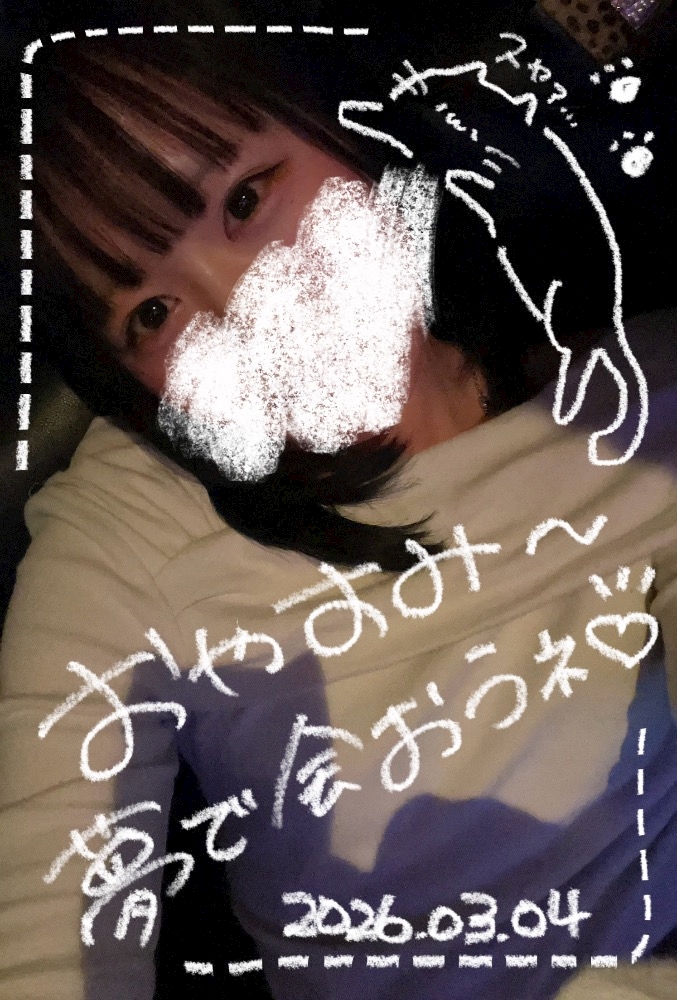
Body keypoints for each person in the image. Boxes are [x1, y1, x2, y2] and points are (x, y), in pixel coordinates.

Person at [2, 11, 677, 1000]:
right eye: (151, 313)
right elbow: (43, 928)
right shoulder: (133, 524)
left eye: (246, 198)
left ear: (351, 128)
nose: (243, 316)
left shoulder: (641, 402)